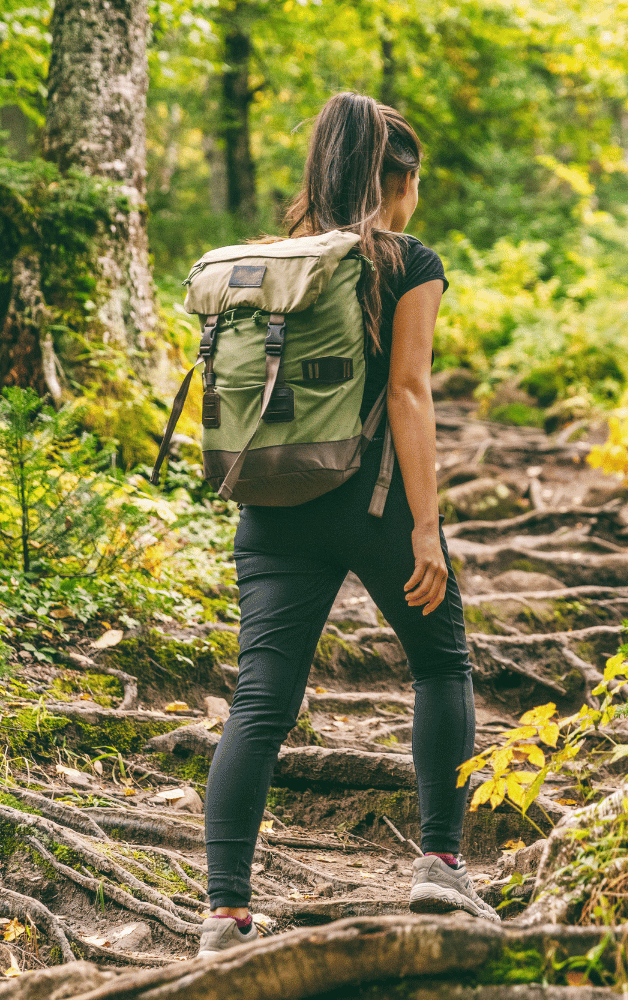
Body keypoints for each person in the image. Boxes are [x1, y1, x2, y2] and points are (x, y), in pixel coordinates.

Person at [196, 92, 498, 957]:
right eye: (415, 183)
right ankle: (440, 865)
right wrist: (425, 528)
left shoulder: (270, 262)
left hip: (272, 505)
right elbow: (407, 392)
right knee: (442, 664)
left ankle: (223, 914)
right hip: (372, 505)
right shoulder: (406, 260)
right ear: (394, 179)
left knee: (259, 701)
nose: (417, 201)